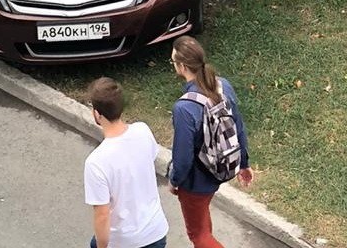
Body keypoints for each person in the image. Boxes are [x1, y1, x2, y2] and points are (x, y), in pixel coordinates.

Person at [168, 36, 253, 248]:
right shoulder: (223, 85)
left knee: (199, 236)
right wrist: (243, 163)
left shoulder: (184, 108)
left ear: (182, 66)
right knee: (203, 223)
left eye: (173, 63)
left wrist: (174, 180)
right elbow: (238, 125)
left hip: (196, 182)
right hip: (221, 168)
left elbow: (183, 159)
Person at [84, 77, 169, 248]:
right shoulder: (143, 131)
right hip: (155, 231)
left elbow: (102, 215)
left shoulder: (96, 162)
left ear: (97, 114)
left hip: (124, 241)